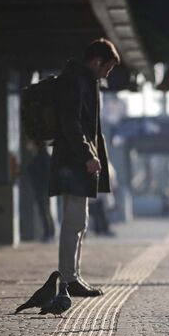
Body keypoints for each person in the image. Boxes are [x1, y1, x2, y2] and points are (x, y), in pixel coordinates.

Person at [49, 38, 119, 297]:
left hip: (76, 163)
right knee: (74, 220)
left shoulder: (83, 81)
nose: (107, 74)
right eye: (107, 68)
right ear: (96, 61)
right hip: (74, 164)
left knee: (79, 220)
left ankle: (72, 276)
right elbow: (72, 123)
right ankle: (68, 279)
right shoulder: (77, 82)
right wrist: (88, 155)